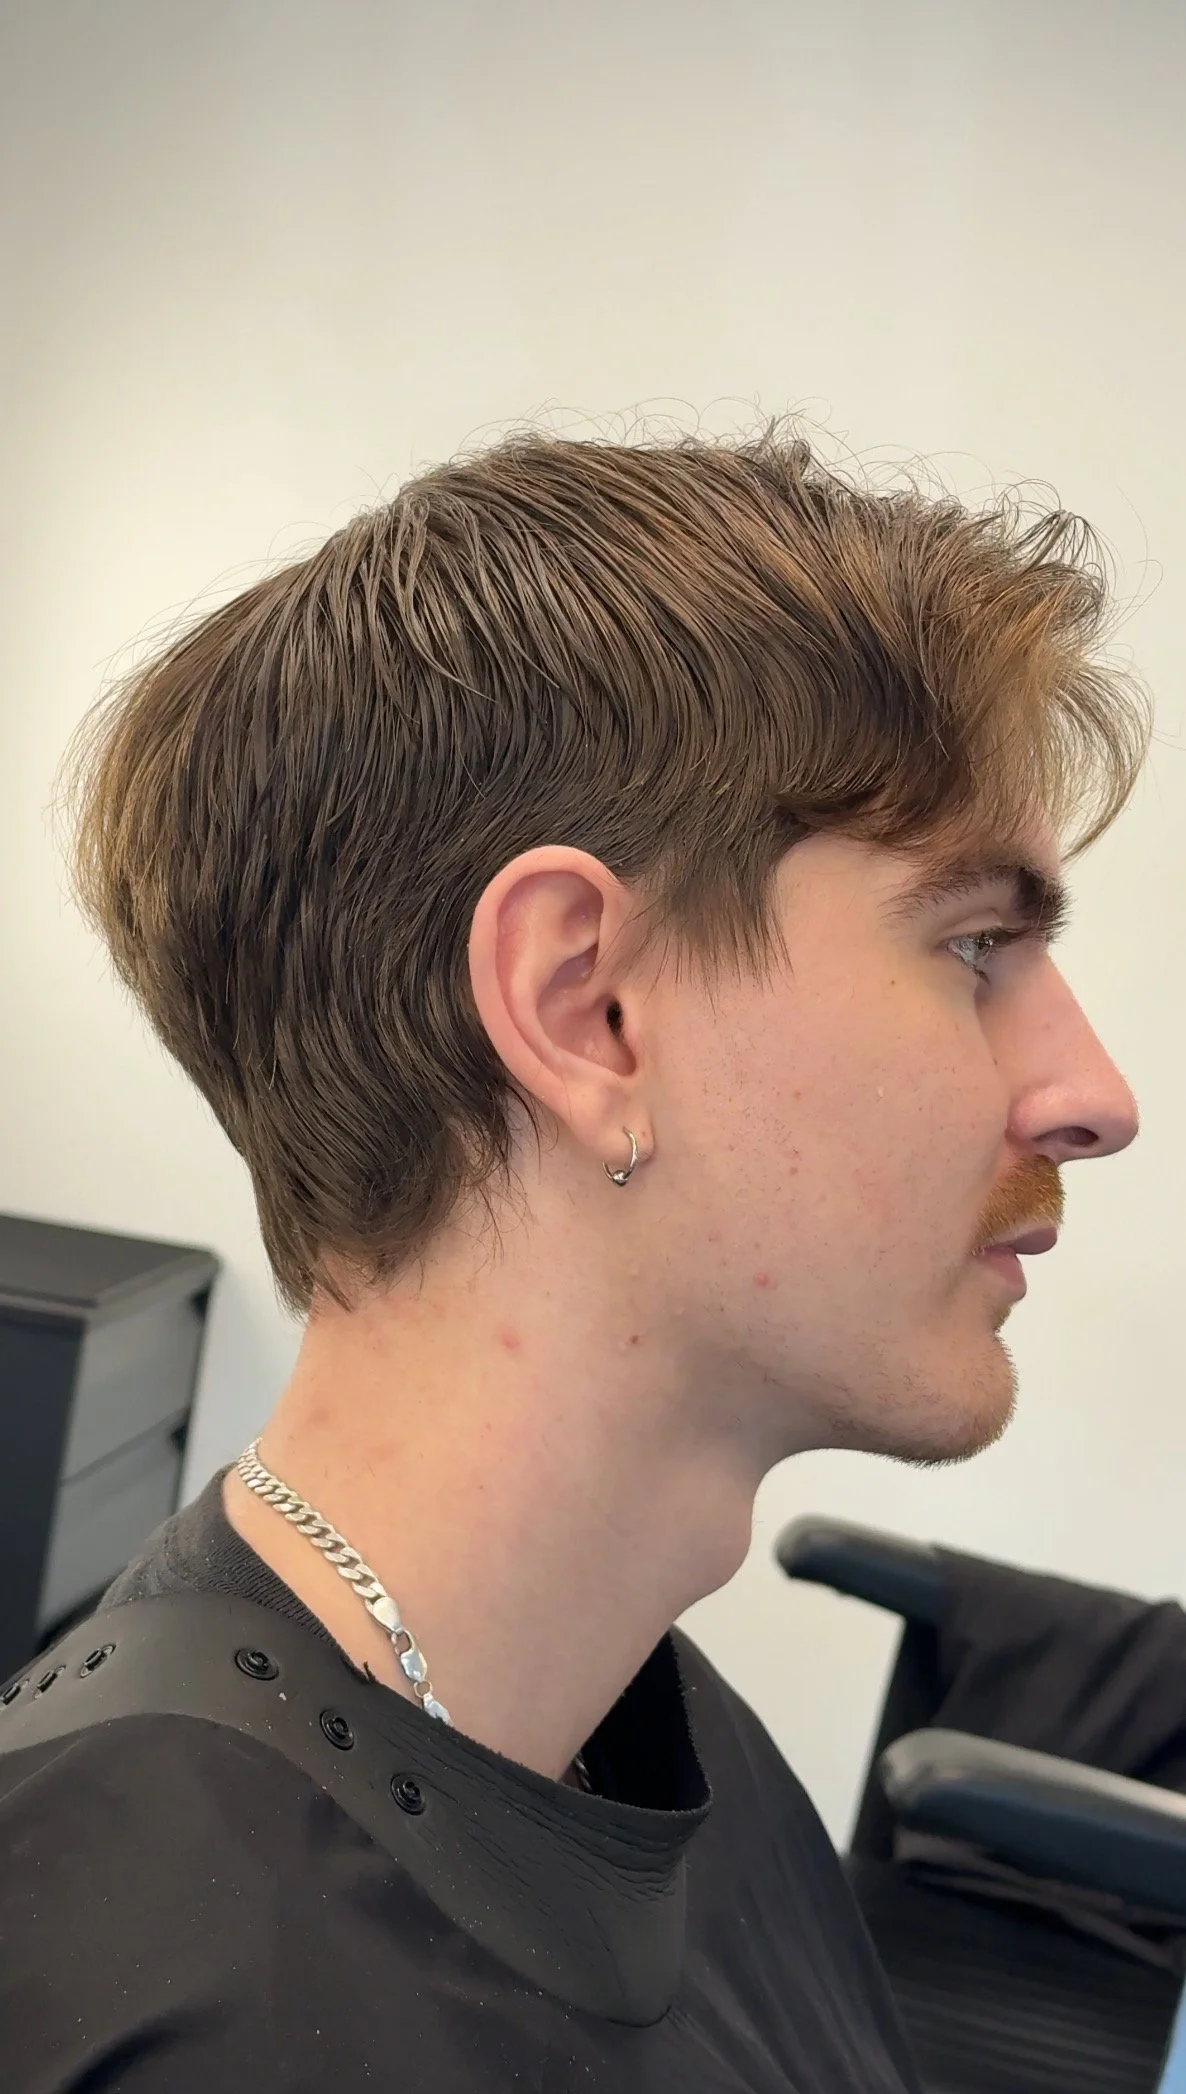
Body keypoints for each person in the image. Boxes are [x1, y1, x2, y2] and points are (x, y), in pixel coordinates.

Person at [2, 425, 1147, 2090]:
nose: (1092, 1098)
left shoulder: (678, 1757)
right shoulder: (144, 2001)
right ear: (585, 1007)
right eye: (973, 944)